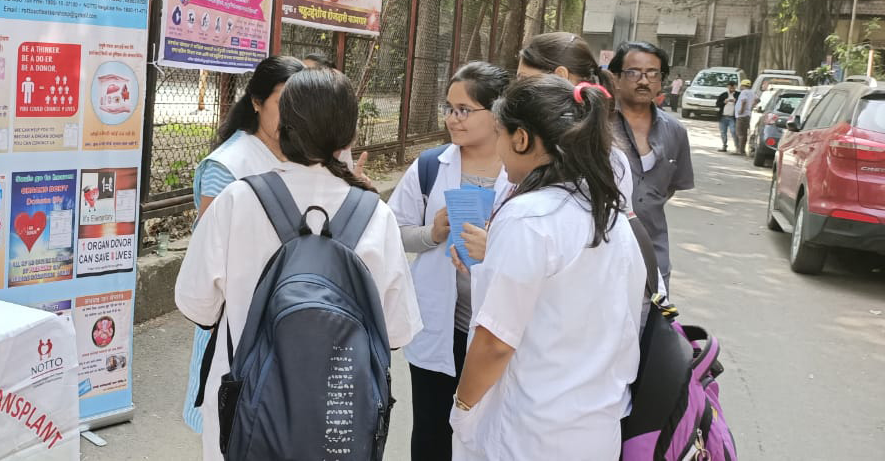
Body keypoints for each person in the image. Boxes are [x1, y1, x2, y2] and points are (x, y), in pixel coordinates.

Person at [176, 68, 422, 461]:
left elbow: (197, 305)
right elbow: (395, 331)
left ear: (283, 124)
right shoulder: (376, 216)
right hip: (340, 424)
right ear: (350, 136)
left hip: (247, 417)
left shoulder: (236, 201)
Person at [449, 75, 645, 460]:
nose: (499, 150)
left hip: (528, 432)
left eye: (500, 135)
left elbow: (495, 342)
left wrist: (463, 406)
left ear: (522, 139)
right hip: (596, 432)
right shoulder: (610, 215)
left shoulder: (528, 217)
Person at [386, 62, 511, 460]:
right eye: (449, 108)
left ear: (497, 112)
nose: (452, 119)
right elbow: (393, 230)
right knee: (431, 431)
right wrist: (433, 233)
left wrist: (495, 247)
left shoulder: (523, 172)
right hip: (439, 323)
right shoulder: (430, 165)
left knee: (488, 431)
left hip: (496, 329)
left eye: (464, 110)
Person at [178, 55, 304, 435]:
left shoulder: (301, 156)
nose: (294, 113)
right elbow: (207, 262)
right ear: (256, 102)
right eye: (284, 102)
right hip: (236, 325)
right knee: (232, 429)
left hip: (289, 320)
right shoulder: (229, 166)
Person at [513, 32, 635, 216]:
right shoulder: (523, 139)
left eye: (524, 79)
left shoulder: (609, 161)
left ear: (561, 76)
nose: (516, 89)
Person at [608, 42, 694, 290]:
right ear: (616, 78)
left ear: (661, 81)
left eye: (652, 73)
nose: (643, 81)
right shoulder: (597, 125)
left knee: (653, 313)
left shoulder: (675, 132)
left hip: (653, 253)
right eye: (633, 72)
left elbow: (669, 188)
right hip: (601, 250)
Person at [716, 81, 739, 153]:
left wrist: (736, 101)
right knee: (723, 132)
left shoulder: (738, 95)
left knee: (733, 131)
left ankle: (737, 147)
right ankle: (724, 146)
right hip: (723, 116)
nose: (731, 89)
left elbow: (742, 103)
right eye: (730, 87)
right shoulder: (723, 95)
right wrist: (724, 102)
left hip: (732, 117)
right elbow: (717, 104)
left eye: (733, 88)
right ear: (727, 87)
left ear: (735, 87)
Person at [734, 78, 756, 155]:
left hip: (741, 115)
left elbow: (744, 101)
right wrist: (752, 106)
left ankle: (740, 150)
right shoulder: (752, 92)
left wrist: (741, 110)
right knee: (744, 133)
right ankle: (742, 150)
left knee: (739, 133)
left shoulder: (744, 92)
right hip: (748, 114)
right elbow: (758, 100)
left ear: (743, 85)